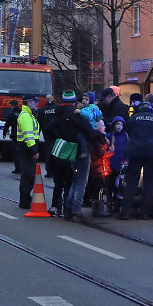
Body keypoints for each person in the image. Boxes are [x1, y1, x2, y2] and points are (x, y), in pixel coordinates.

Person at [52, 91, 106, 222]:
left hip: (70, 151)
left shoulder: (59, 115)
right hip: (82, 150)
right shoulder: (77, 114)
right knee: (81, 182)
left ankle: (68, 209)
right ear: (74, 100)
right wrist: (100, 139)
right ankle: (76, 211)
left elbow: (49, 128)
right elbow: (89, 131)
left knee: (74, 181)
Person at [117, 95, 153, 220]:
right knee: (149, 183)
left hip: (135, 153)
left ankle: (125, 212)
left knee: (131, 182)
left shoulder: (133, 119)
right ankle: (145, 213)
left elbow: (128, 133)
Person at [15, 95, 42, 208]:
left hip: (26, 147)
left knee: (29, 175)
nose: (37, 104)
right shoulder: (26, 116)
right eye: (36, 102)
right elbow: (28, 135)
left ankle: (25, 199)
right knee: (28, 175)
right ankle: (25, 201)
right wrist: (34, 150)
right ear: (30, 103)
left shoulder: (28, 115)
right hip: (27, 148)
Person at [37, 93, 60, 179]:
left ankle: (49, 171)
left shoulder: (42, 110)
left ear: (46, 100)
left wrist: (37, 135)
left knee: (48, 153)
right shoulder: (57, 108)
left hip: (47, 134)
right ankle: (56, 171)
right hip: (57, 134)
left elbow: (38, 123)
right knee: (57, 152)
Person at [2, 100, 22, 173]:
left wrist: (4, 133)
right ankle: (22, 167)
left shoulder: (11, 114)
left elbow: (7, 124)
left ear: (12, 105)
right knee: (22, 152)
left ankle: (18, 168)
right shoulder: (22, 113)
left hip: (15, 135)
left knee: (16, 153)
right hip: (23, 135)